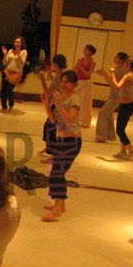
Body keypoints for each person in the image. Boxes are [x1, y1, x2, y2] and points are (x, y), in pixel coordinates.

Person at [39, 70, 82, 222]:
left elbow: (70, 119)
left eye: (67, 82)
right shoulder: (61, 97)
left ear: (74, 84)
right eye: (62, 81)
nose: (63, 84)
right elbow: (53, 119)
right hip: (61, 140)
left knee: (57, 173)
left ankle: (57, 209)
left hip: (72, 142)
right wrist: (46, 104)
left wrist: (57, 103)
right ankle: (60, 205)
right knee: (56, 172)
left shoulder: (74, 99)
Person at [98, 56, 133, 159]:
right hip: (126, 105)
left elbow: (117, 86)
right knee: (121, 129)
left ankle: (131, 150)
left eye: (125, 63)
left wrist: (112, 73)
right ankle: (123, 151)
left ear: (128, 65)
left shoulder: (128, 76)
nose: (125, 65)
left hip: (126, 106)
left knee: (120, 130)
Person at [37, 54, 67, 163]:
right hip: (60, 105)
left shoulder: (58, 77)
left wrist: (42, 80)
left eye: (53, 63)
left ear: (56, 64)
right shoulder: (62, 75)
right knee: (48, 126)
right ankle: (49, 148)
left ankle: (53, 155)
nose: (52, 65)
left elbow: (48, 93)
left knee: (51, 128)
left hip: (58, 107)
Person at [95, 52, 128, 143]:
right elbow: (111, 82)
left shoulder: (121, 70)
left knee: (102, 113)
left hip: (117, 95)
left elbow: (114, 84)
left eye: (116, 57)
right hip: (114, 94)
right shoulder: (118, 69)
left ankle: (101, 136)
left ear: (121, 60)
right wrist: (105, 75)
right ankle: (111, 135)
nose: (114, 58)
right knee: (108, 114)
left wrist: (104, 74)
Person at [0, 36, 28, 113]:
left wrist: (18, 54)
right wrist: (5, 54)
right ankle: (4, 107)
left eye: (18, 42)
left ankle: (11, 104)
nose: (16, 43)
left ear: (22, 44)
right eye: (15, 42)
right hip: (7, 72)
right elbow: (4, 63)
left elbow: (21, 65)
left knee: (9, 90)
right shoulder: (10, 51)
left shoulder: (24, 52)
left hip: (16, 74)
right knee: (3, 90)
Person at [74, 44, 96, 128]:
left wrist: (81, 68)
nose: (84, 51)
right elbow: (75, 69)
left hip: (86, 83)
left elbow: (88, 74)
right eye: (84, 49)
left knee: (85, 102)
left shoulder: (93, 62)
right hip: (78, 81)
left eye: (86, 50)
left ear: (91, 52)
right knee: (75, 100)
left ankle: (84, 121)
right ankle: (74, 118)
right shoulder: (79, 59)